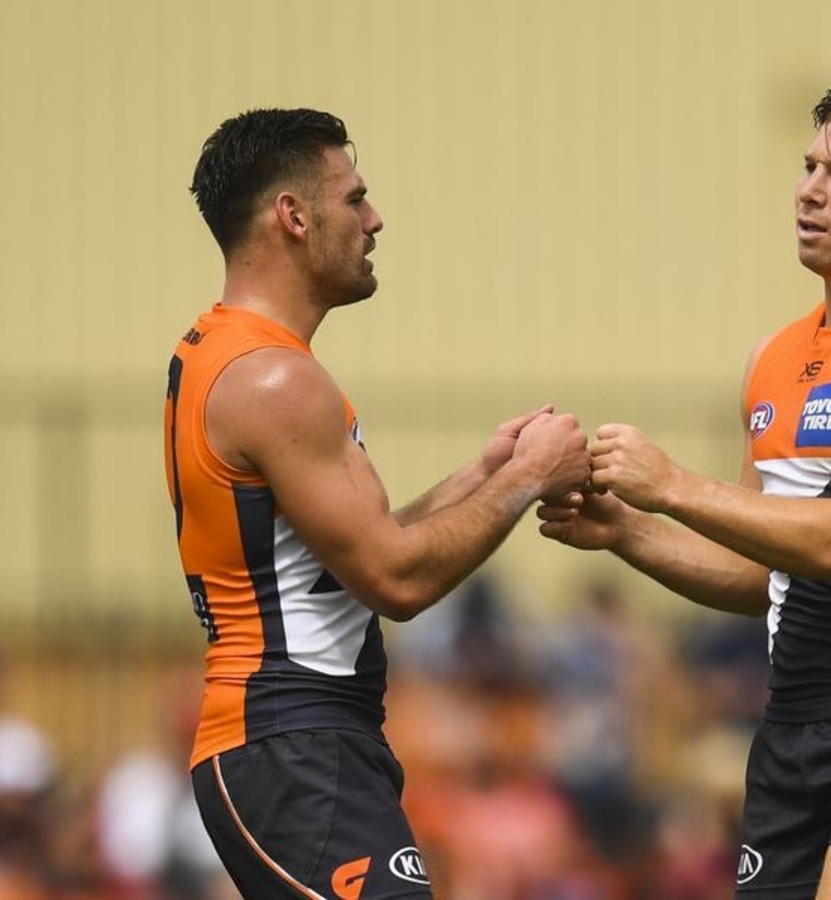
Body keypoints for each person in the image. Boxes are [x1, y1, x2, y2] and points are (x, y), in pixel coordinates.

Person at [539, 71, 831, 900]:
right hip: (793, 723)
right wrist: (626, 532)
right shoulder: (774, 356)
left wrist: (672, 486)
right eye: (809, 167)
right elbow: (765, 576)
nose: (810, 191)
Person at [163, 107, 590, 900]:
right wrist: (528, 478)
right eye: (355, 198)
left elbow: (351, 558)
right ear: (294, 217)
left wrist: (484, 473)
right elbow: (396, 581)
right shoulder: (276, 381)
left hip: (300, 740)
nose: (375, 219)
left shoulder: (230, 353)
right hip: (291, 741)